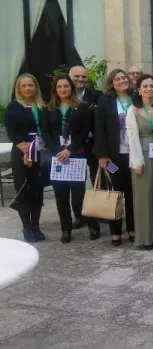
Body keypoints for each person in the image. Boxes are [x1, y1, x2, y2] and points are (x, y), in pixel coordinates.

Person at [42, 75, 93, 243]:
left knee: (79, 195)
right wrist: (58, 151)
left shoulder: (82, 107)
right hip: (57, 157)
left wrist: (70, 149)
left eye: (66, 86)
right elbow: (46, 133)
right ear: (55, 90)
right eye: (59, 87)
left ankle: (88, 222)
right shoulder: (48, 108)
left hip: (76, 154)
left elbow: (84, 131)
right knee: (61, 195)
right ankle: (66, 228)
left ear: (71, 88)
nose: (63, 89)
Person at [126, 74, 153, 250]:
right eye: (145, 86)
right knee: (143, 196)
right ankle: (145, 237)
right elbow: (132, 137)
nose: (149, 89)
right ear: (138, 90)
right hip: (142, 156)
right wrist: (136, 161)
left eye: (152, 86)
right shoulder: (132, 110)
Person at [95, 69, 136, 246]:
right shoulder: (105, 101)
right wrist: (102, 155)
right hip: (114, 155)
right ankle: (116, 232)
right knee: (115, 195)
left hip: (134, 154)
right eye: (117, 79)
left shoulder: (136, 97)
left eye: (124, 78)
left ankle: (133, 229)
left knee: (132, 194)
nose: (121, 81)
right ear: (112, 83)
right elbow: (99, 129)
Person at [5, 74, 47, 243]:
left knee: (37, 191)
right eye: (24, 86)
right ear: (19, 89)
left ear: (36, 87)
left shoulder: (42, 106)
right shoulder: (13, 107)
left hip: (39, 153)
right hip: (21, 152)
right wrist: (25, 150)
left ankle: (36, 225)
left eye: (31, 85)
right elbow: (11, 130)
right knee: (23, 190)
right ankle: (27, 227)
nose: (28, 88)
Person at [68, 64, 102, 239]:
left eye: (83, 76)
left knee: (97, 181)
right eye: (77, 76)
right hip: (75, 147)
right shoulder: (63, 95)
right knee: (77, 183)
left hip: (93, 145)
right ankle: (80, 215)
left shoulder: (96, 95)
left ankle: (98, 213)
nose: (80, 79)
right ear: (70, 77)